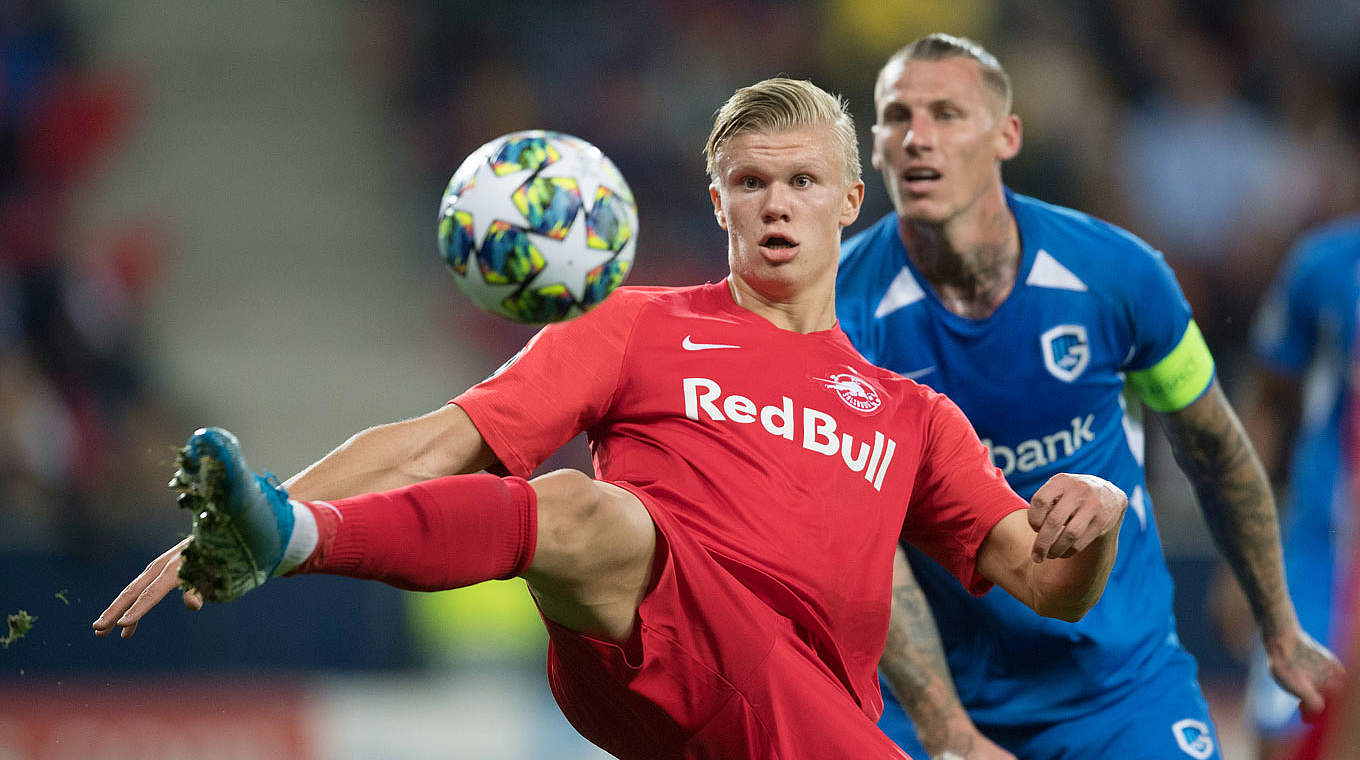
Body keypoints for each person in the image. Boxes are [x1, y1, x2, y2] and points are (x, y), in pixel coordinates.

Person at [93, 77, 1130, 760]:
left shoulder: (911, 413)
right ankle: (294, 539)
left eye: (801, 181)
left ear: (849, 198)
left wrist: (1098, 516)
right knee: (587, 512)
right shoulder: (635, 328)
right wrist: (254, 522)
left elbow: (1050, 584)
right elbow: (431, 441)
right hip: (645, 652)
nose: (775, 204)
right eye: (750, 183)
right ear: (717, 203)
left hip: (798, 714)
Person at [834, 34, 1344, 760]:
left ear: (1007, 135)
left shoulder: (1121, 274)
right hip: (927, 703)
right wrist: (950, 733)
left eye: (947, 114)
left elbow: (1216, 447)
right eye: (895, 117)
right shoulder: (836, 315)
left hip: (1118, 690)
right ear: (874, 144)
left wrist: (1281, 629)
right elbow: (860, 546)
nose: (917, 138)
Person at [1232, 215, 1360, 759]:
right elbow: (1267, 403)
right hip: (1321, 554)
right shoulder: (1326, 266)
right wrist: (1238, 554)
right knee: (1285, 734)